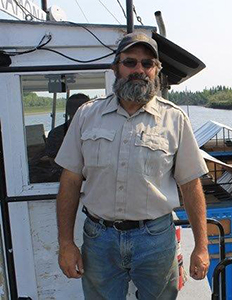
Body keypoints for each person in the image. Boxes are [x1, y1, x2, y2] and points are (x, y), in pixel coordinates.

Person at [55, 32, 210, 299]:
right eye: (130, 62)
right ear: (116, 67)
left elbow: (191, 184)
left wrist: (202, 246)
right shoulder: (86, 116)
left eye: (147, 64)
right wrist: (66, 244)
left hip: (155, 238)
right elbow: (69, 181)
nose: (139, 69)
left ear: (156, 71)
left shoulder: (175, 119)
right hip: (98, 237)